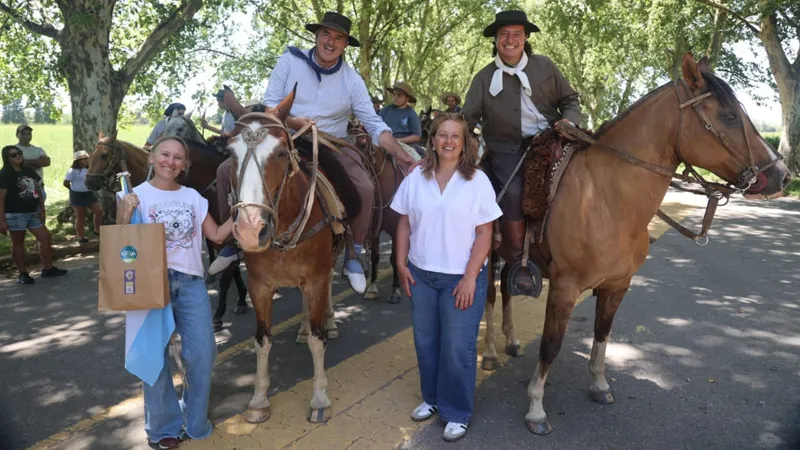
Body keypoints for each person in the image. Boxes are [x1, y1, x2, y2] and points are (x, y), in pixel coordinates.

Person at [211, 11, 414, 294]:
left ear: (345, 45)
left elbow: (372, 122)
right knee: (224, 171)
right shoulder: (289, 61)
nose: (331, 42)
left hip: (331, 142)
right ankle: (231, 242)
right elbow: (271, 104)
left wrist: (400, 151)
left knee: (365, 187)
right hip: (285, 136)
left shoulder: (352, 80)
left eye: (339, 38)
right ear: (317, 37)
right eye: (326, 35)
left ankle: (354, 253)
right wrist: (296, 123)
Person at [117, 136, 233, 450]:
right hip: (150, 282)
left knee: (202, 353)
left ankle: (194, 420)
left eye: (179, 157)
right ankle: (163, 428)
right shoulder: (134, 196)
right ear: (152, 158)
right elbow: (120, 245)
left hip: (191, 283)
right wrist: (124, 212)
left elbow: (218, 234)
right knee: (154, 359)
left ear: (185, 165)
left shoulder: (194, 197)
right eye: (165, 155)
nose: (171, 161)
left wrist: (241, 214)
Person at [391, 113, 501, 442]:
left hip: (460, 277)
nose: (449, 141)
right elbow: (404, 223)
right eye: (442, 135)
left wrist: (470, 278)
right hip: (422, 274)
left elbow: (485, 232)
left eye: (456, 136)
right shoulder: (416, 177)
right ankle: (433, 398)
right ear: (433, 140)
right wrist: (400, 263)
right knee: (426, 343)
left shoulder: (477, 181)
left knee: (457, 347)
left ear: (465, 143)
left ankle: (456, 411)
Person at [462, 9, 581, 296]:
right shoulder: (483, 78)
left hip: (554, 138)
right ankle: (518, 261)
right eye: (504, 34)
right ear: (496, 40)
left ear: (525, 38)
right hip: (507, 149)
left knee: (593, 169)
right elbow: (467, 120)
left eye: (516, 34)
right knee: (515, 192)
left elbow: (570, 99)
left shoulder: (545, 66)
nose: (510, 39)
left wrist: (569, 120)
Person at [0, 145, 67, 284]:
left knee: (45, 237)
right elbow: (1, 198)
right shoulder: (5, 173)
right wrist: (1, 220)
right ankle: (23, 274)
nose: (18, 156)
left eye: (19, 153)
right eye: (13, 155)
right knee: (18, 242)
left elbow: (37, 190)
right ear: (7, 158)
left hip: (33, 212)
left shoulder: (28, 170)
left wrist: (42, 209)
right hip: (15, 214)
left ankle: (48, 269)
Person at [63, 150, 102, 244]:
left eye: (87, 158)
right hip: (77, 194)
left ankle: (97, 230)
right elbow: (66, 183)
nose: (87, 160)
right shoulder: (72, 171)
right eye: (84, 159)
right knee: (80, 216)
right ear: (79, 161)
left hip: (89, 193)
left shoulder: (90, 168)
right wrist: (73, 189)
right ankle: (80, 236)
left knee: (98, 211)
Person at [14, 124, 51, 202]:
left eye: (28, 134)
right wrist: (37, 162)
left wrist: (26, 162)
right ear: (17, 135)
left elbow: (46, 162)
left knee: (39, 211)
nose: (26, 136)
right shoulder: (13, 149)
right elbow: (18, 165)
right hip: (20, 188)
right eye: (23, 134)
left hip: (38, 187)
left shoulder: (38, 149)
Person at [380, 81, 423, 147]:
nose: (395, 97)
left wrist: (397, 140)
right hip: (383, 141)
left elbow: (416, 136)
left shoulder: (412, 114)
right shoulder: (385, 110)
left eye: (399, 95)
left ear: (407, 98)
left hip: (405, 145)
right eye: (394, 94)